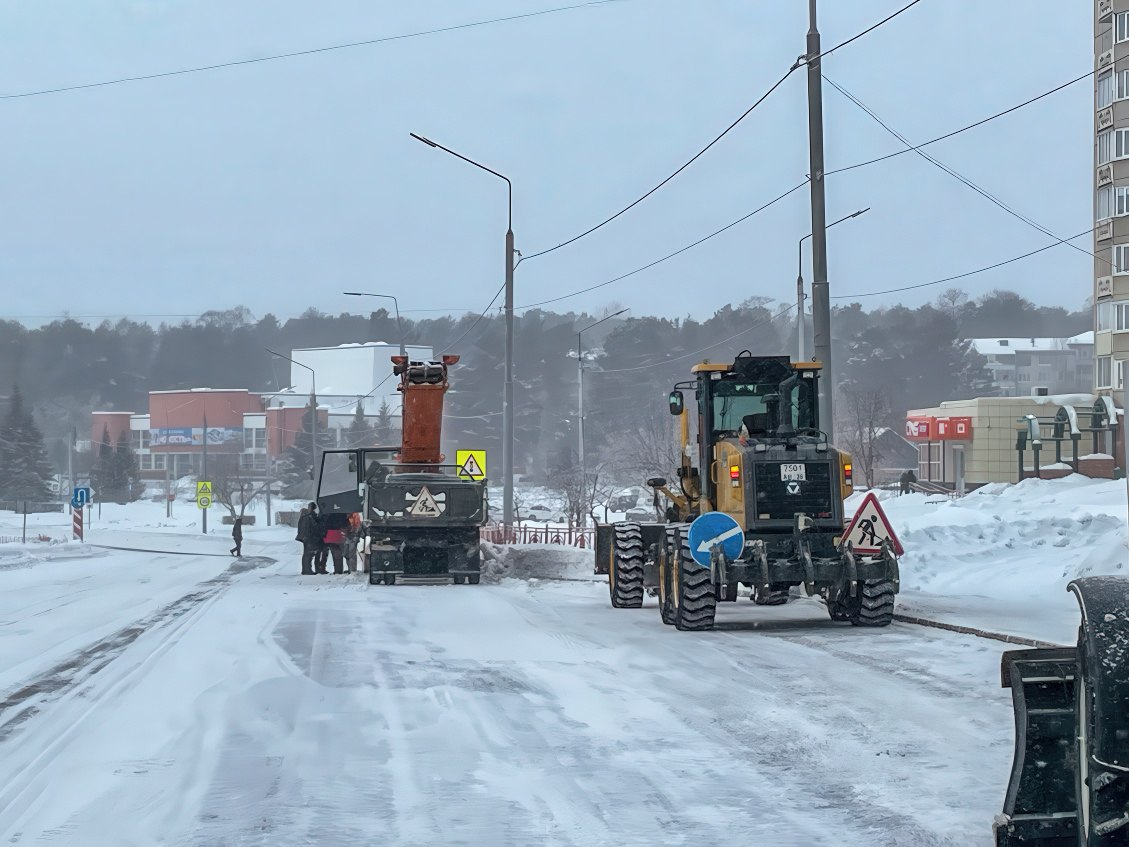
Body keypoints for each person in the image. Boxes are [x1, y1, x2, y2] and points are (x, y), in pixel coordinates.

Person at [296, 502, 319, 575]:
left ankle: (306, 569)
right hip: (309, 537)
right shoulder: (310, 516)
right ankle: (307, 570)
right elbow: (313, 526)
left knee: (307, 554)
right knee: (308, 554)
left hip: (306, 537)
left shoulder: (305, 516)